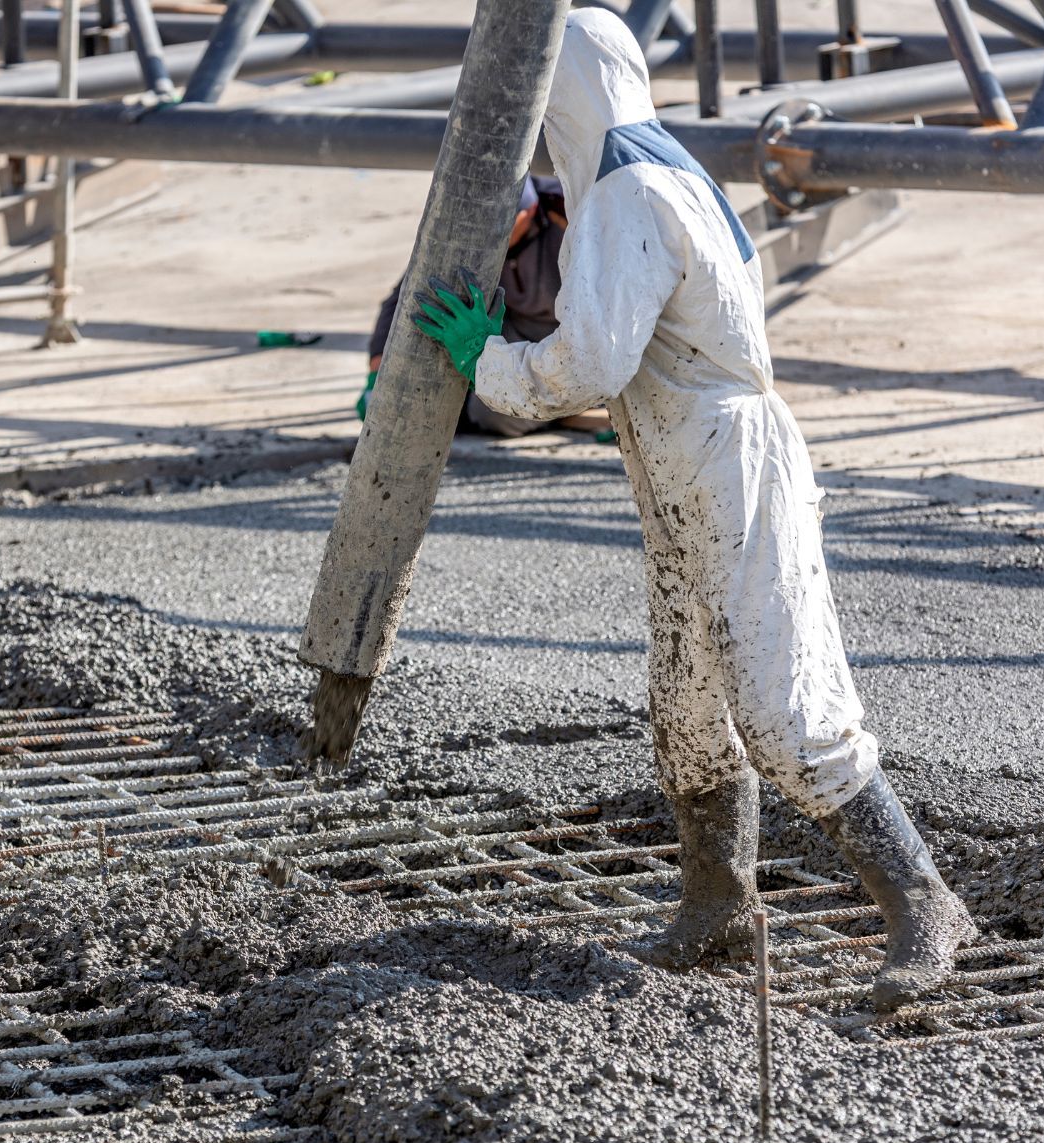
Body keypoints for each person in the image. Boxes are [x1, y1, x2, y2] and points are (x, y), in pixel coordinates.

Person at [413, 10, 975, 1012]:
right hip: (685, 463)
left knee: (782, 707)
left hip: (728, 464)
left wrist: (485, 361)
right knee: (688, 702)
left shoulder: (628, 193)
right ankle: (716, 902)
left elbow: (588, 362)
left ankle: (923, 902)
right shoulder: (648, 169)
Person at [360, 178, 570, 438]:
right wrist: (377, 370)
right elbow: (408, 294)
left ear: (530, 210)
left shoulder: (567, 218)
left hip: (563, 335)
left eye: (506, 224)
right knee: (432, 348)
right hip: (503, 324)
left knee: (499, 413)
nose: (493, 237)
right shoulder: (472, 236)